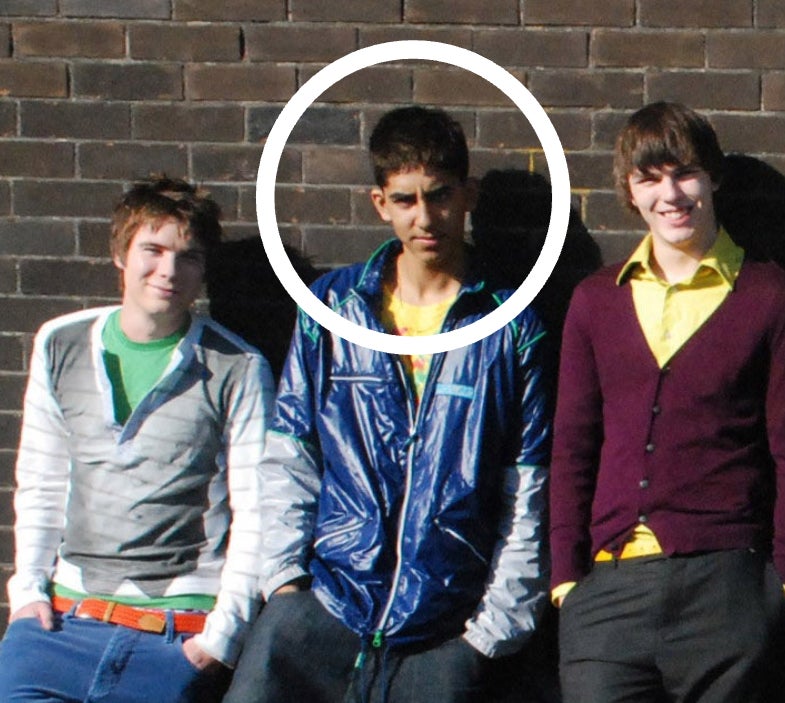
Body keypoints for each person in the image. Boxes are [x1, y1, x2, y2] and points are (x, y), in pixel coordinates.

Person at [224, 106, 552, 703]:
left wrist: (488, 636)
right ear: (380, 203)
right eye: (405, 199)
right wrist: (284, 583)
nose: (424, 217)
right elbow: (291, 454)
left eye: (439, 195)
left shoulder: (511, 328)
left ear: (467, 194)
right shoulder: (333, 307)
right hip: (322, 613)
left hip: (444, 633)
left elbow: (525, 494)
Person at [0, 176, 275, 702]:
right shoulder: (60, 343)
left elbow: (257, 512)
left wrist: (220, 639)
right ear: (121, 255)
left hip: (176, 633)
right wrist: (27, 595)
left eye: (189, 256)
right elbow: (41, 480)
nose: (169, 271)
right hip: (62, 625)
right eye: (154, 249)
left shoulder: (236, 366)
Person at [550, 101, 785, 702]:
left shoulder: (769, 295)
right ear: (630, 192)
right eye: (649, 178)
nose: (670, 194)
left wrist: (781, 581)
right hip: (609, 592)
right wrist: (565, 581)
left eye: (684, 172)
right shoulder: (596, 301)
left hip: (727, 585)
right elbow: (573, 444)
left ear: (712, 178)